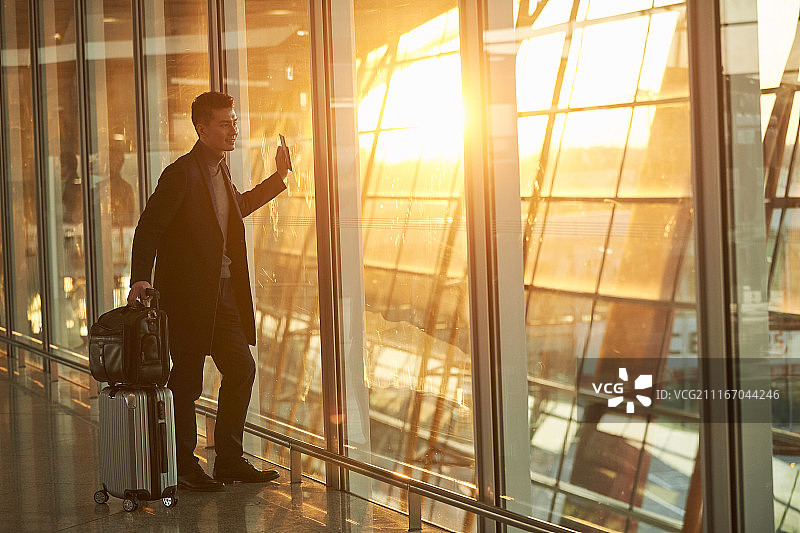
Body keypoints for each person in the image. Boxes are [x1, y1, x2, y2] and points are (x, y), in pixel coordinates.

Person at [127, 91, 290, 491]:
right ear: (201, 129)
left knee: (241, 369)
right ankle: (184, 467)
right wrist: (139, 278)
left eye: (234, 121)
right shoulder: (181, 174)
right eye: (224, 123)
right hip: (186, 300)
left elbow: (239, 207)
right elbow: (149, 228)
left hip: (221, 297)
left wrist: (279, 179)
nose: (233, 128)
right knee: (187, 383)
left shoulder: (221, 171)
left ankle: (229, 461)